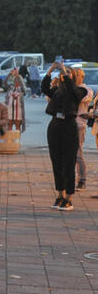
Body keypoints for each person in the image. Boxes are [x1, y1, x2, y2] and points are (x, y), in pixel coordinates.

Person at [42, 60, 87, 210]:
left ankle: (69, 197)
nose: (63, 74)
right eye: (63, 72)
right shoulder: (57, 91)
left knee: (68, 162)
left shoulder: (80, 91)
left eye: (67, 73)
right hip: (55, 125)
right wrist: (50, 71)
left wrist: (63, 71)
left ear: (72, 76)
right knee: (56, 162)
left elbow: (72, 90)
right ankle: (60, 194)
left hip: (69, 126)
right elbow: (44, 88)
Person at [73, 68, 93, 189]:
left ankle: (82, 179)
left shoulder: (87, 90)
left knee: (77, 153)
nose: (74, 77)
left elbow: (79, 98)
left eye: (76, 75)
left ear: (82, 77)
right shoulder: (70, 89)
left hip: (79, 124)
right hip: (67, 124)